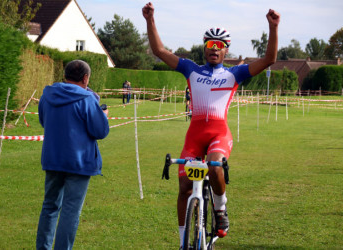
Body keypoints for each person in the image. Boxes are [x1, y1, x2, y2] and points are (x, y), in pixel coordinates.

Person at [142, 2, 280, 247]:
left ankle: (220, 209)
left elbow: (270, 59)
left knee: (216, 167)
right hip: (194, 134)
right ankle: (184, 239)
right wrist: (150, 19)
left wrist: (273, 27)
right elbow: (160, 51)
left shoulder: (234, 74)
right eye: (210, 45)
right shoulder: (190, 69)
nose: (214, 49)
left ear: (226, 51)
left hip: (219, 133)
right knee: (184, 186)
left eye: (219, 46)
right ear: (204, 47)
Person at [36, 59, 110, 250]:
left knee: (49, 207)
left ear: (65, 76)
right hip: (79, 162)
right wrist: (104, 116)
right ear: (85, 78)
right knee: (70, 211)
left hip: (53, 158)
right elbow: (100, 131)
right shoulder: (87, 100)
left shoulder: (47, 95)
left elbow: (44, 121)